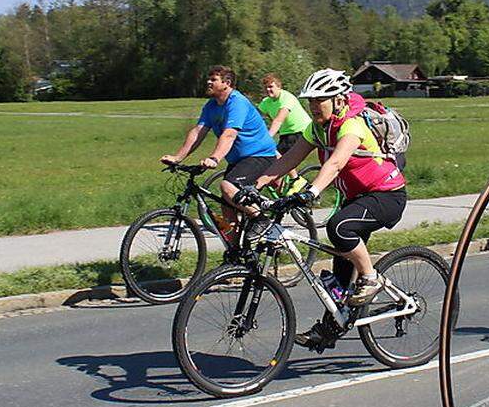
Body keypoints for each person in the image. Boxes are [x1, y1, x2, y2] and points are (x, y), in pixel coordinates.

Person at [251, 69, 407, 351]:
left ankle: (370, 277)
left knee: (339, 227)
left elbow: (334, 164)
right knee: (339, 269)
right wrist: (257, 183)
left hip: (387, 195)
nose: (313, 106)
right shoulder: (317, 128)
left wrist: (312, 191)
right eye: (310, 101)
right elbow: (290, 158)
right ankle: (330, 328)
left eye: (319, 101)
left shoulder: (352, 125)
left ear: (338, 100)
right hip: (359, 197)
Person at [161, 66, 277, 235]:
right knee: (228, 209)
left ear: (226, 83)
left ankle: (262, 221)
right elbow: (197, 132)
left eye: (213, 79)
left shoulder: (237, 102)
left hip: (260, 155)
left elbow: (229, 134)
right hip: (239, 160)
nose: (208, 82)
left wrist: (215, 158)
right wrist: (178, 157)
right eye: (208, 79)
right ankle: (236, 255)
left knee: (227, 186)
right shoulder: (211, 106)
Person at [258, 73, 313, 191]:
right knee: (272, 162)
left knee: (280, 156)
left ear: (279, 87)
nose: (268, 90)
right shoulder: (266, 102)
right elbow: (256, 118)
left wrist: (266, 138)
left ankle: (296, 179)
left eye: (271, 86)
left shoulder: (286, 97)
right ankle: (283, 195)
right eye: (266, 87)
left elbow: (278, 120)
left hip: (301, 131)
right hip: (285, 134)